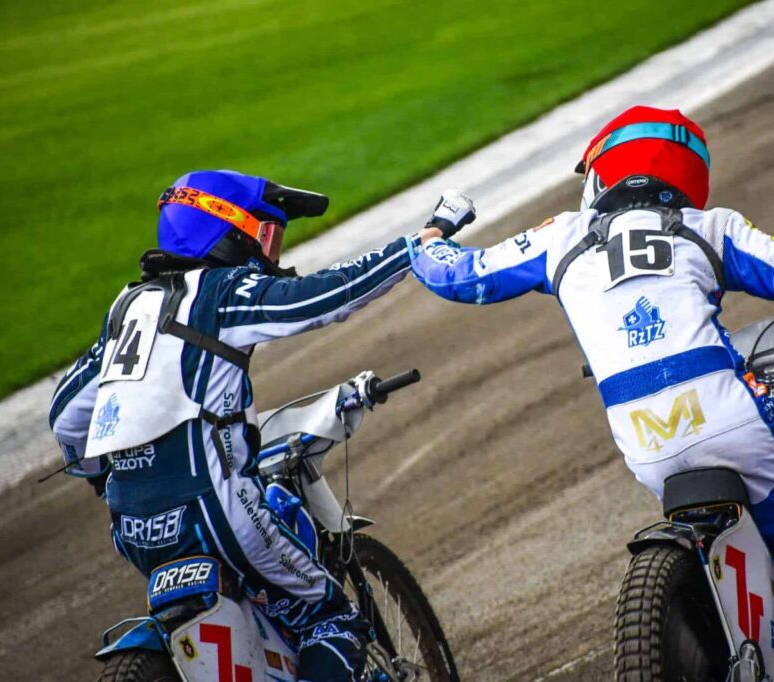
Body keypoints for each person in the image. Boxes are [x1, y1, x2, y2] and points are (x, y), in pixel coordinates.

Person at [409, 106, 774, 681]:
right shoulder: (710, 227)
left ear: (602, 174)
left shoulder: (559, 237)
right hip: (728, 417)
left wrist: (431, 235)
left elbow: (457, 275)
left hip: (644, 444)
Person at [47, 169, 472, 681]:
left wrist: (103, 478)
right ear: (224, 231)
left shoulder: (127, 306)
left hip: (132, 527)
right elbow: (325, 297)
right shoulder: (220, 291)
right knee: (331, 620)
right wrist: (419, 243)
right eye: (265, 235)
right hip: (215, 511)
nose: (270, 253)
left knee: (253, 601)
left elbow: (65, 417)